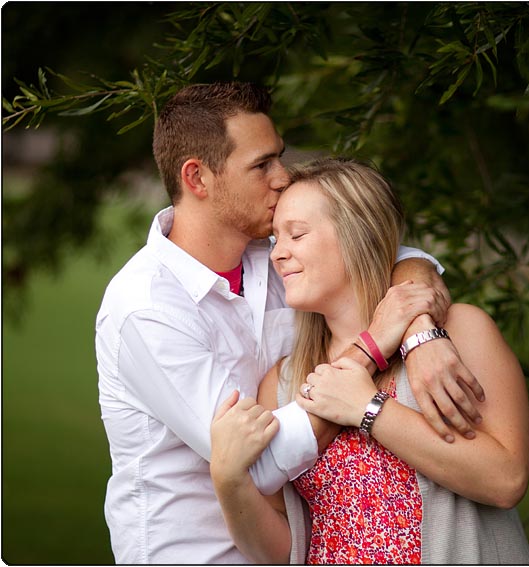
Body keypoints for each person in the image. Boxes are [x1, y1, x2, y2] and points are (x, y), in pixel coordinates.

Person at [95, 82, 486, 564]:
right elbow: (255, 462)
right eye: (261, 165)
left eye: (278, 157)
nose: (282, 177)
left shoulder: (276, 256)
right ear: (197, 178)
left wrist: (420, 332)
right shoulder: (147, 308)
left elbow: (386, 254)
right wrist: (367, 353)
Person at [210, 157, 529, 564]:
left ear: (357, 236)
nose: (279, 255)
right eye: (277, 239)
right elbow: (282, 552)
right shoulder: (284, 380)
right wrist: (229, 481)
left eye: (297, 235)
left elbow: (506, 480)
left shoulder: (458, 335)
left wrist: (368, 409)